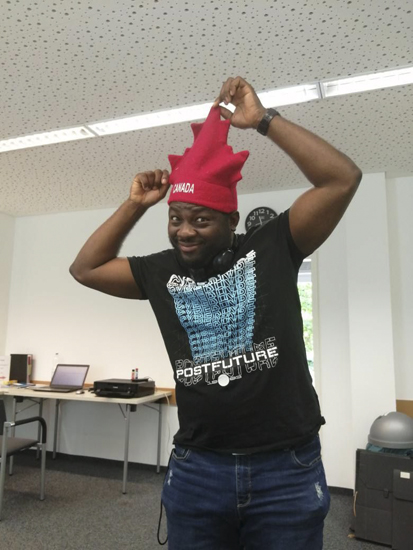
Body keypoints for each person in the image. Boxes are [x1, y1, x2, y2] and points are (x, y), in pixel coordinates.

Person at [70, 76, 362, 550]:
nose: (184, 231)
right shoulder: (160, 271)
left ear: (231, 220)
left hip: (285, 468)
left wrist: (263, 120)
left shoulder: (273, 247)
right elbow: (86, 268)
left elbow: (342, 178)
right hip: (199, 469)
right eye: (176, 218)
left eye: (201, 219)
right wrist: (135, 205)